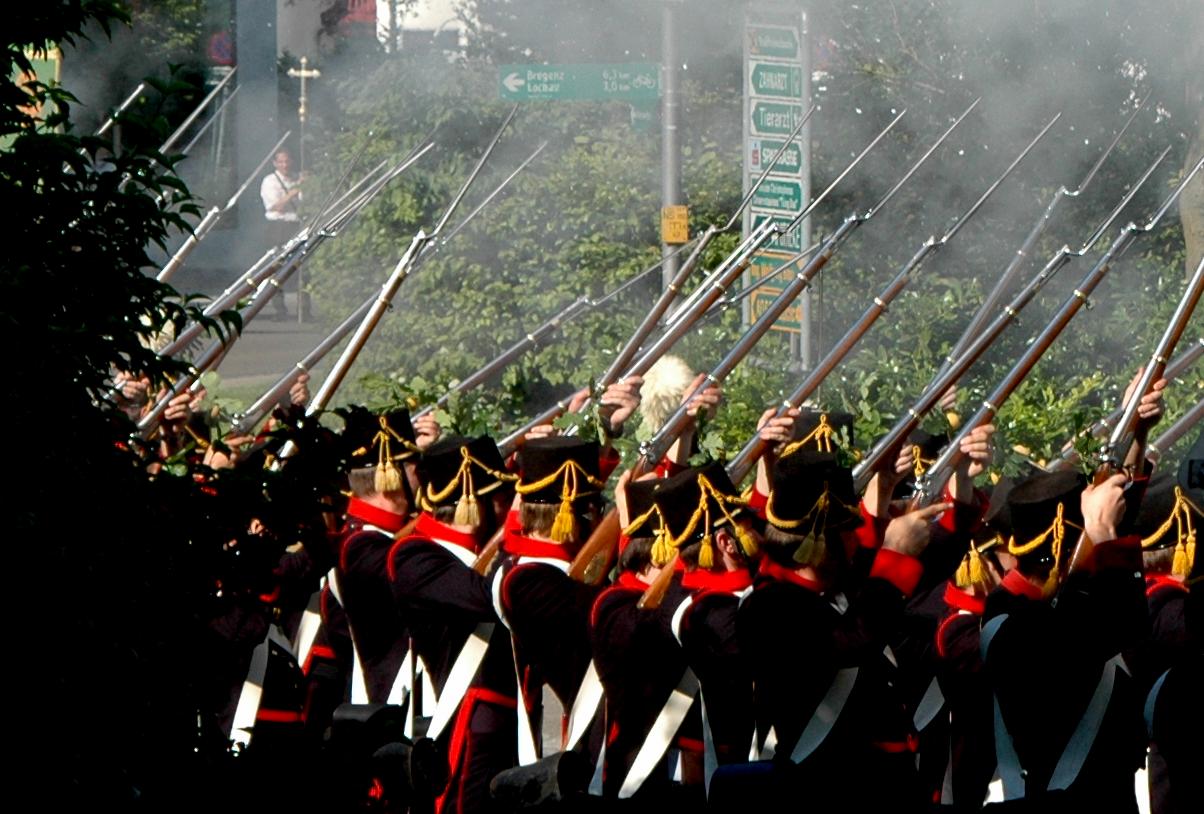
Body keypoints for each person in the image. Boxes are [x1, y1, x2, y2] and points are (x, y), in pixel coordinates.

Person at [259, 148, 304, 318]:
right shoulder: (270, 181)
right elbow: (276, 206)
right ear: (275, 163)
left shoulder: (297, 178)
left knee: (303, 267)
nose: (285, 165)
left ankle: (304, 309)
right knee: (276, 267)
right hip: (278, 226)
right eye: (281, 162)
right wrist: (295, 191)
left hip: (296, 225)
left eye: (287, 161)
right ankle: (279, 309)